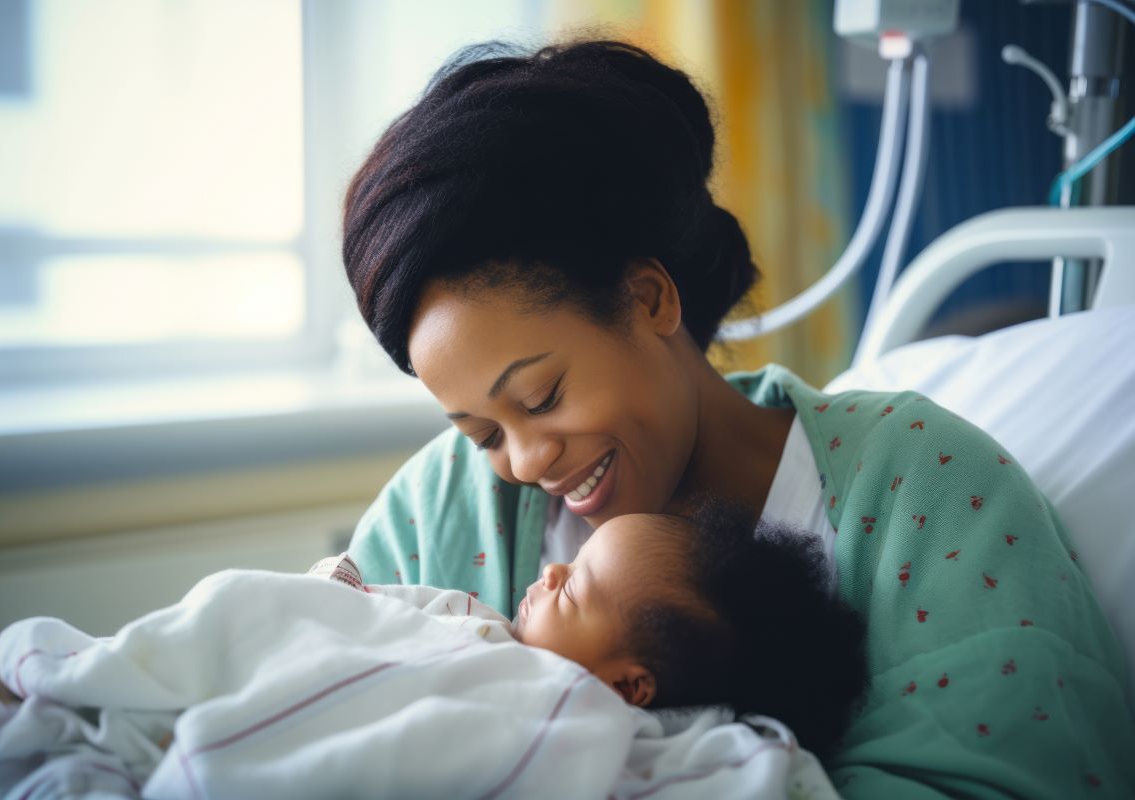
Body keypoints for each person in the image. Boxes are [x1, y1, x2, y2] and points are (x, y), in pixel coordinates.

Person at [340, 39, 1135, 797]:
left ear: (648, 299)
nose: (522, 462)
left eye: (541, 398)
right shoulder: (443, 510)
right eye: (480, 432)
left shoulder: (924, 490)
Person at [315, 501, 867, 761]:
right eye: (574, 558)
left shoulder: (630, 744)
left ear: (627, 689)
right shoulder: (479, 626)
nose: (553, 571)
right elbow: (385, 614)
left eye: (575, 587)